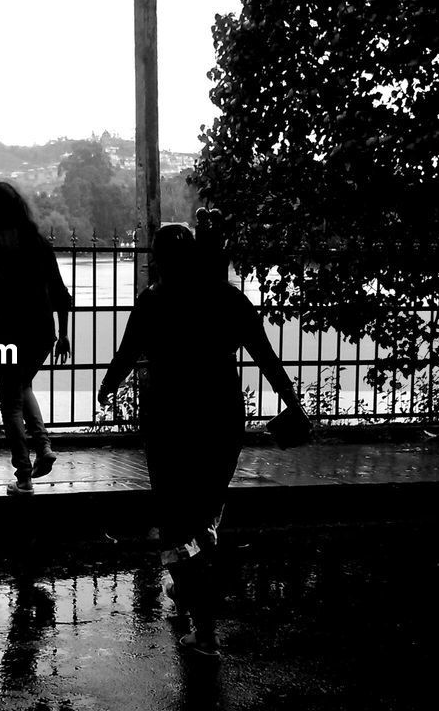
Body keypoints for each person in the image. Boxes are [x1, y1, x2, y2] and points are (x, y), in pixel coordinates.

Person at [97, 223, 307, 657]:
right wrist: (290, 400)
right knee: (204, 512)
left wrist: (108, 385)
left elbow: (127, 351)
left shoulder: (154, 300)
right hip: (220, 415)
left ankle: (204, 622)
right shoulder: (228, 299)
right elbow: (264, 353)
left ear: (158, 258)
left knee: (177, 517)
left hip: (170, 417)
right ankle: (197, 591)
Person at [0, 181, 72, 496]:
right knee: (24, 385)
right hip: (42, 331)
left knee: (10, 402)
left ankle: (24, 477)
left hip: (7, 330)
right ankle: (43, 447)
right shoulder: (39, 243)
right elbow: (60, 293)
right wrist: (64, 334)